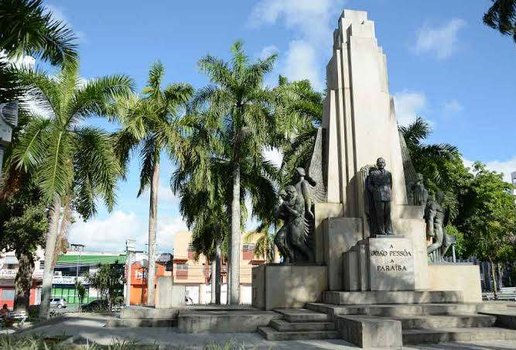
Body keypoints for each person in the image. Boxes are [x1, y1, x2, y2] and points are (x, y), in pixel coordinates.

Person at [366, 157, 393, 236]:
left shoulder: (388, 173)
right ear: (377, 164)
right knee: (379, 214)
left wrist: (388, 191)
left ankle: (388, 230)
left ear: (385, 164)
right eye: (379, 162)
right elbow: (369, 185)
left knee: (388, 214)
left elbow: (390, 184)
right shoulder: (373, 173)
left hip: (387, 195)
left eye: (382, 162)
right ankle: (381, 230)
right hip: (378, 196)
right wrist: (374, 190)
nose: (381, 163)